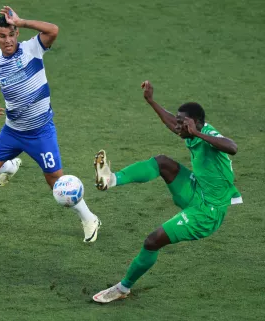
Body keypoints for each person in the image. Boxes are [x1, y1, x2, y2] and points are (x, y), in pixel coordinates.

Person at [92, 80, 243, 302]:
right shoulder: (192, 131)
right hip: (196, 191)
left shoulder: (207, 137)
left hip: (207, 212)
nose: (178, 127)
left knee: (152, 241)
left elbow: (233, 147)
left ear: (198, 124)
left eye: (183, 124)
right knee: (162, 162)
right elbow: (171, 121)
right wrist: (151, 101)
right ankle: (110, 179)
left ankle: (122, 289)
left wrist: (197, 135)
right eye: (180, 123)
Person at [0, 6, 100, 242]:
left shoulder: (32, 48)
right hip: (12, 131)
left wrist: (21, 21)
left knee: (58, 184)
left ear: (16, 34)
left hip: (41, 132)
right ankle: (10, 166)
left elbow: (53, 30)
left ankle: (89, 217)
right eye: (3, 36)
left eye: (11, 35)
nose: (8, 40)